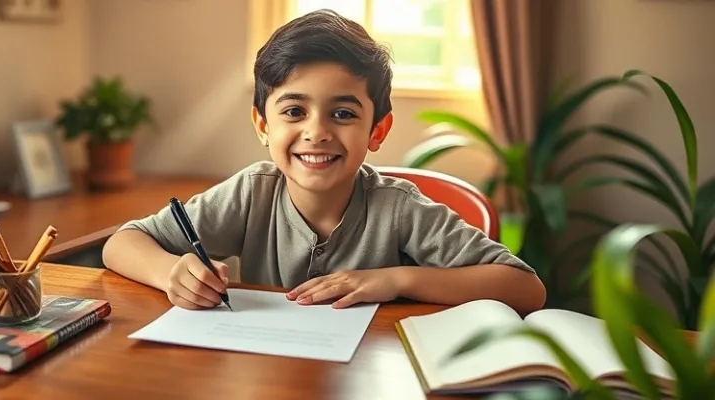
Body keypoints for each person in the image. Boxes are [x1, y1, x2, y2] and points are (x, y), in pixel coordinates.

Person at [102, 9, 546, 314]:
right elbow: (121, 244)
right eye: (294, 111)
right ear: (262, 125)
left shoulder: (398, 208)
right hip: (269, 371)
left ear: (378, 130)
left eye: (343, 113)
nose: (317, 132)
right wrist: (170, 272)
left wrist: (396, 280)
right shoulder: (251, 192)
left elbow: (525, 288)